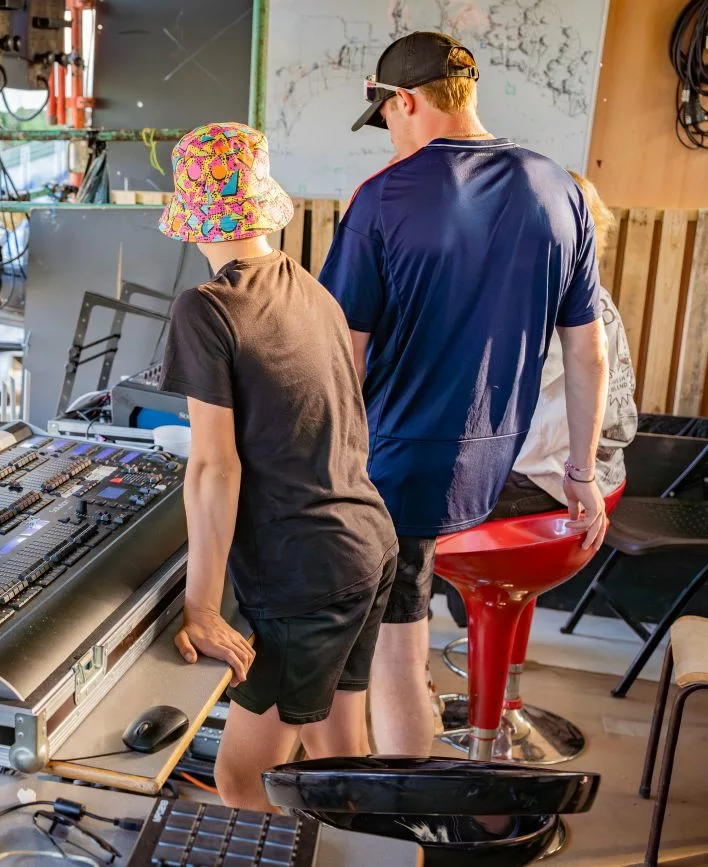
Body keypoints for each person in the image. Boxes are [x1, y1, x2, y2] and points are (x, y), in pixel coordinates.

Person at [318, 32, 611, 757]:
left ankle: (388, 826)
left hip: (389, 467)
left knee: (382, 656)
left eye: (386, 117)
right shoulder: (560, 189)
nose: (388, 134)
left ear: (406, 102)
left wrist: (309, 472)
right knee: (398, 640)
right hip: (485, 469)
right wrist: (582, 472)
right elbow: (587, 349)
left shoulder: (381, 197)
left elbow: (339, 357)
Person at [158, 122, 398, 810]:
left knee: (243, 779)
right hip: (366, 546)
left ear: (189, 220)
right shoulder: (312, 291)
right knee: (336, 752)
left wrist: (201, 607)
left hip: (306, 576)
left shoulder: (207, 308)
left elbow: (213, 468)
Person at [495, 171, 638, 518]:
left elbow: (498, 392)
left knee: (416, 509)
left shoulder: (548, 303)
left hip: (549, 478)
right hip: (607, 469)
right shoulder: (595, 297)